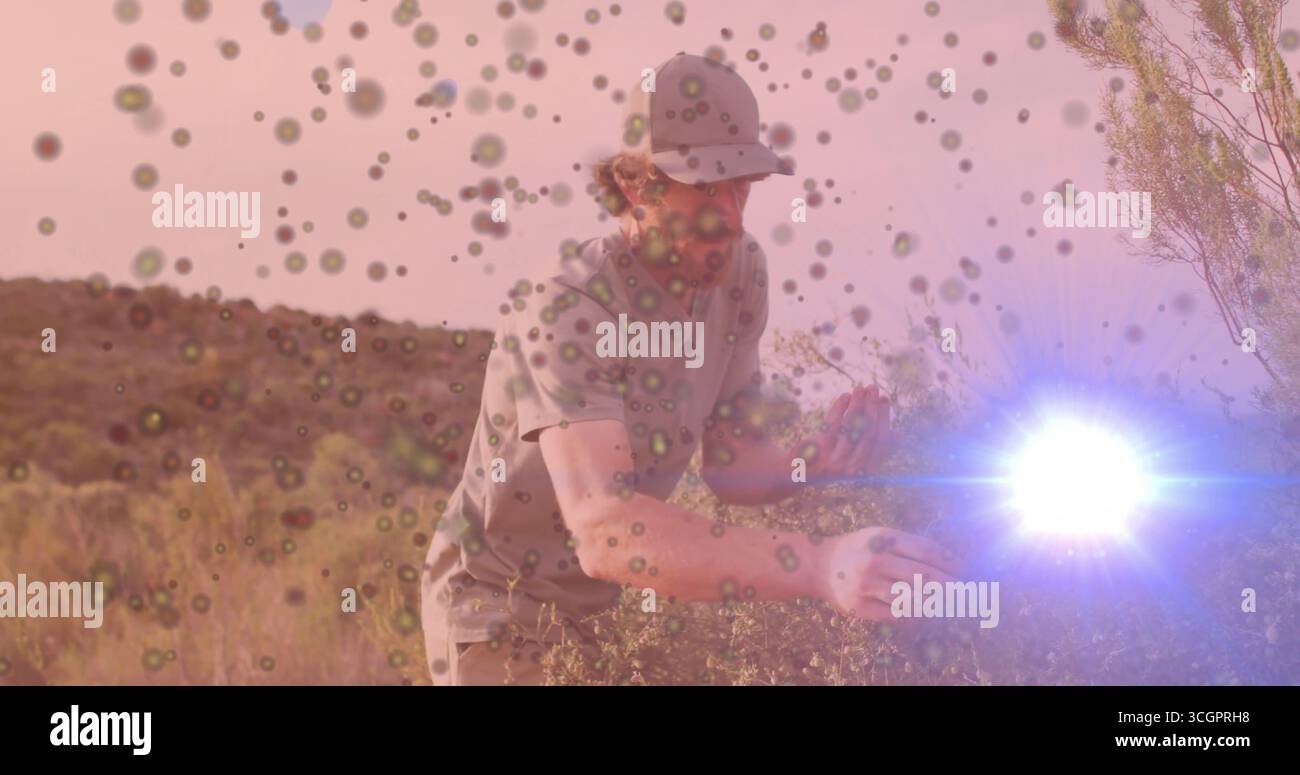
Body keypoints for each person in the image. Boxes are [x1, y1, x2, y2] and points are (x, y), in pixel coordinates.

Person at [420, 52, 960, 685]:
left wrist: (814, 461)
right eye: (705, 188)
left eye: (741, 187)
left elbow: (732, 466)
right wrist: (821, 564)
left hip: (609, 609)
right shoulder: (568, 305)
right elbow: (606, 528)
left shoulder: (738, 272)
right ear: (634, 184)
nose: (730, 216)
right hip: (496, 606)